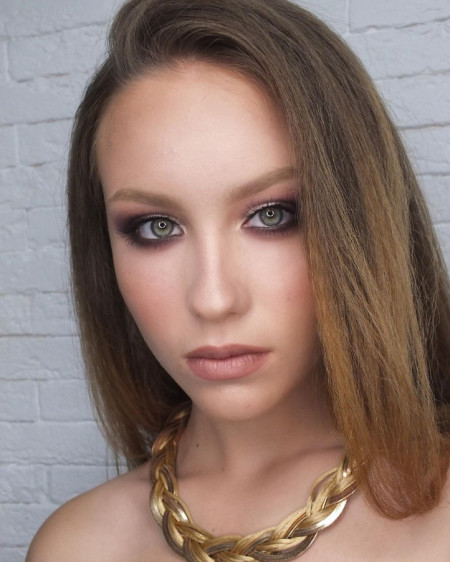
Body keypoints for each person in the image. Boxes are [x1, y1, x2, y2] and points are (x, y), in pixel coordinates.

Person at [26, 0, 450, 560]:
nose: (214, 298)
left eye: (272, 215)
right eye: (156, 227)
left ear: (360, 223)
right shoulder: (77, 545)